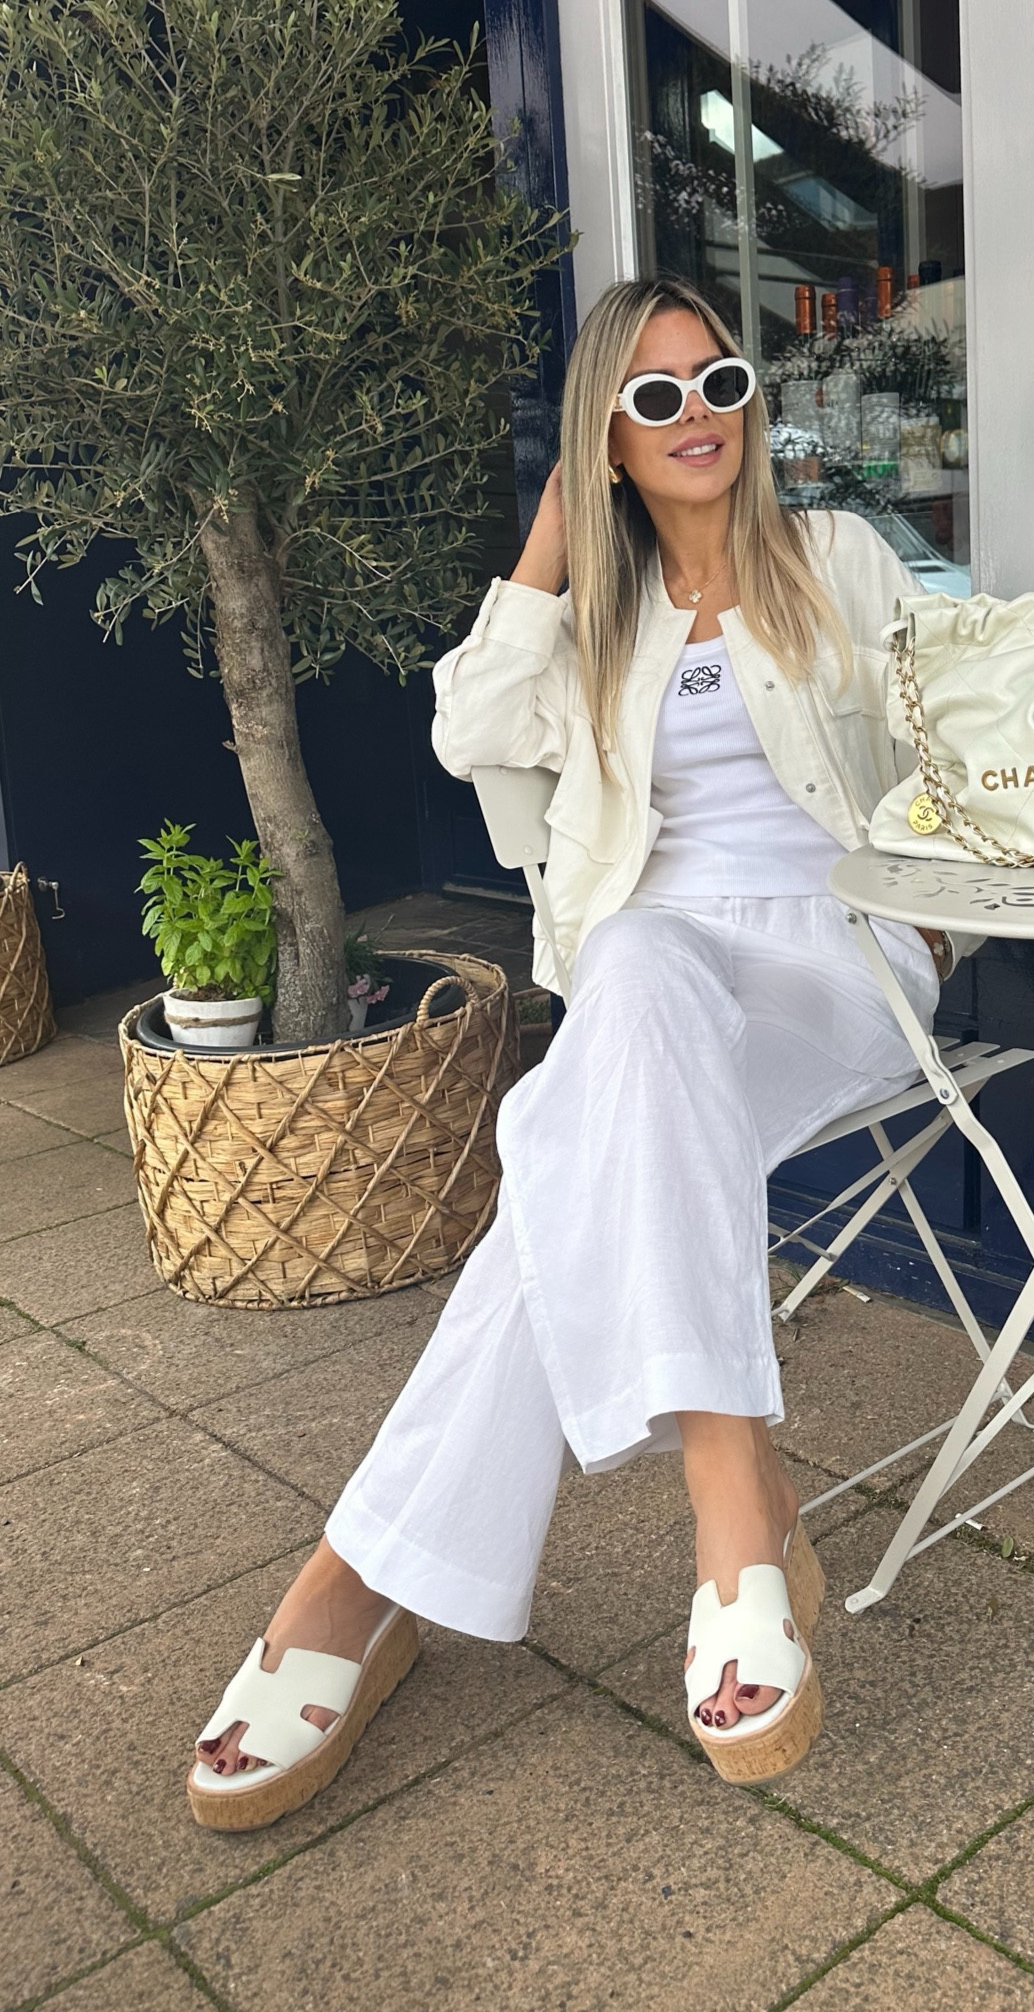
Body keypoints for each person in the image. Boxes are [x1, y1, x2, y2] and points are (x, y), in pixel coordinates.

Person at [187, 273, 947, 1829]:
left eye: (717, 381)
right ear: (607, 432)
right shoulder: (595, 621)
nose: (697, 418)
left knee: (573, 1125)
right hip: (654, 974)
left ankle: (361, 1579)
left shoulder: (844, 561)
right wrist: (551, 531)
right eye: (652, 396)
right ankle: (737, 1515)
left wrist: (961, 900)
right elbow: (470, 725)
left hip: (835, 957)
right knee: (639, 975)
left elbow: (967, 699)